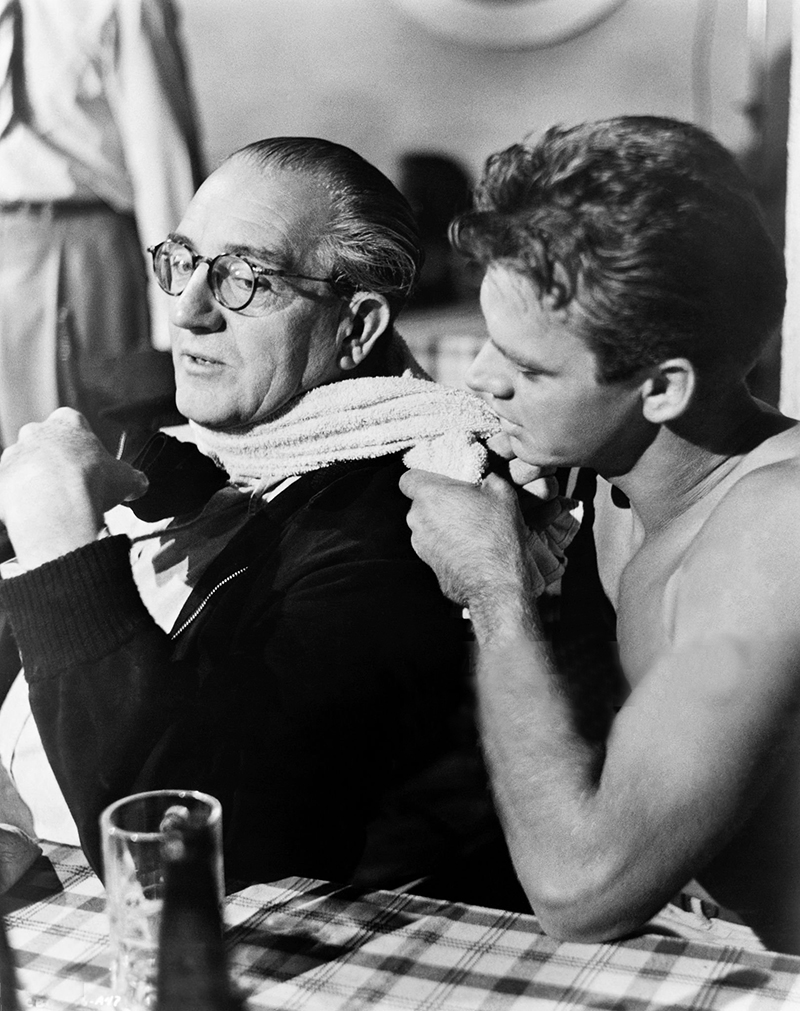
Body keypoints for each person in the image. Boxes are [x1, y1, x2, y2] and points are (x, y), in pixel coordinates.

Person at [0, 136, 522, 890]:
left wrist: (62, 549)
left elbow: (181, 851)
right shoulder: (191, 450)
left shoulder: (399, 526)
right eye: (182, 261)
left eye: (246, 279)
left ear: (357, 328)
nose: (188, 311)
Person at [400, 116, 800, 954]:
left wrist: (496, 587)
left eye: (529, 368)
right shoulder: (613, 474)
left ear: (661, 388)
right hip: (675, 929)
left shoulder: (775, 531)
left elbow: (580, 893)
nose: (482, 378)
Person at [0, 0, 203, 453]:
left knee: (81, 446)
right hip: (8, 252)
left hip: (83, 254)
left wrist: (178, 311)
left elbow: (163, 161)